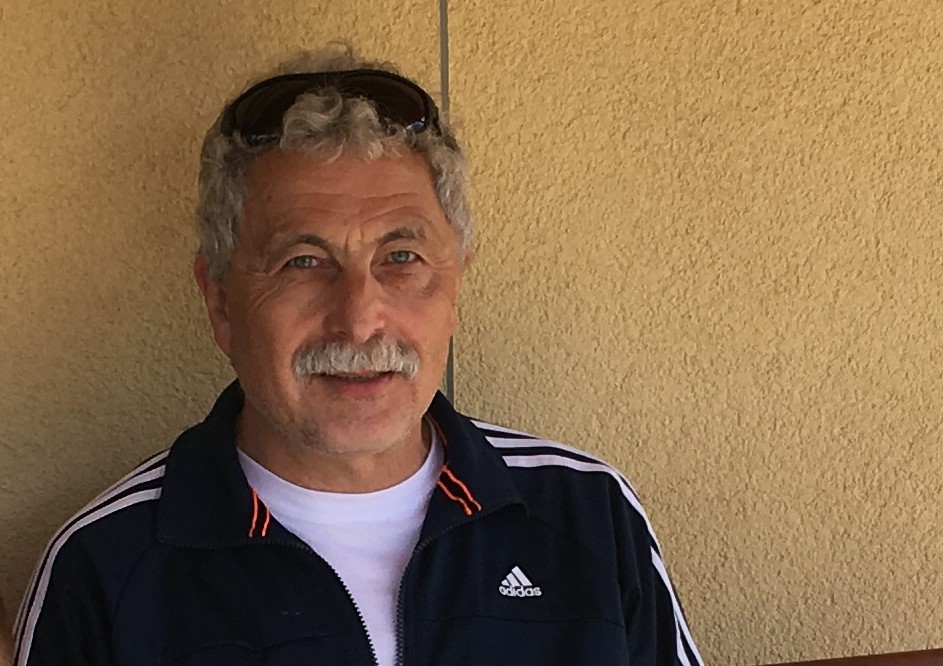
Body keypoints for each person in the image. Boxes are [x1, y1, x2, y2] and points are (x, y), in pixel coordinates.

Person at [13, 45, 704, 665]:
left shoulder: (587, 514)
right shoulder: (104, 565)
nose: (360, 318)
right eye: (303, 261)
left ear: (455, 286)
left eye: (400, 257)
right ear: (220, 303)